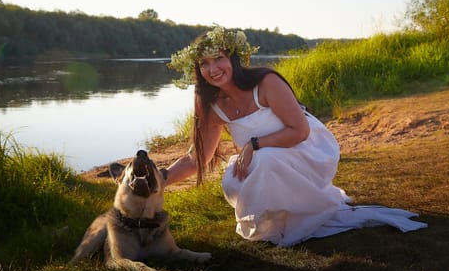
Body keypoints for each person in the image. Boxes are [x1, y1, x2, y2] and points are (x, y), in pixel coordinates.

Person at [164, 26, 427, 247]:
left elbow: (299, 131)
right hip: (266, 156)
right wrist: (158, 179)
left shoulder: (265, 82)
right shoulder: (208, 101)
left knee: (265, 160)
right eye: (204, 64)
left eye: (218, 58)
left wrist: (254, 145)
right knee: (234, 177)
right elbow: (198, 158)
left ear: (232, 58)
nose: (213, 69)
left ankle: (300, 213)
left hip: (306, 148)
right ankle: (278, 218)